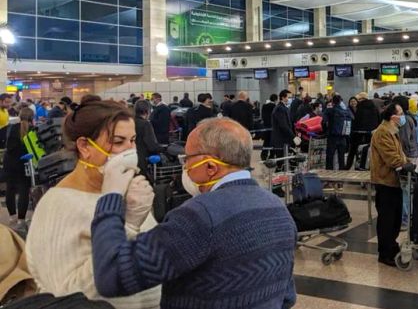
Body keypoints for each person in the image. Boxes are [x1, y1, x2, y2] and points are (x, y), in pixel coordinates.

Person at [89, 117, 297, 309]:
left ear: (210, 167)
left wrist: (111, 198)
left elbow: (112, 275)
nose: (185, 166)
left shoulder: (198, 216)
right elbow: (287, 297)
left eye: (187, 158)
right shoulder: (279, 210)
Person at [25, 100, 162, 308]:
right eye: (118, 142)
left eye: (133, 141)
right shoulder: (57, 206)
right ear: (85, 146)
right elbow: (65, 295)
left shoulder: (129, 192)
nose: (130, 151)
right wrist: (128, 226)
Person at [370, 102, 414, 267]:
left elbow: (399, 154)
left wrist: (408, 162)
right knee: (387, 220)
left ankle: (392, 245)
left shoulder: (393, 131)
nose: (402, 116)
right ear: (392, 116)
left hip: (394, 181)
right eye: (400, 113)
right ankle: (385, 253)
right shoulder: (382, 132)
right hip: (385, 181)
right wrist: (403, 164)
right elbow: (390, 157)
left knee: (395, 219)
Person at [3, 108, 34, 232]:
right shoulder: (32, 130)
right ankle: (22, 220)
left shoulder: (10, 128)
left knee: (10, 189)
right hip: (24, 163)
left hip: (9, 162)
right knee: (23, 191)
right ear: (32, 118)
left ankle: (12, 218)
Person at [393, 96, 418, 230]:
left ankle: (405, 219)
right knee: (408, 189)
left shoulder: (404, 121)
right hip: (412, 155)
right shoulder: (410, 118)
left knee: (405, 189)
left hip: (407, 157)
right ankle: (409, 216)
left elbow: (404, 141)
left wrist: (402, 157)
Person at [345, 92, 380, 170]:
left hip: (358, 135)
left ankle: (354, 166)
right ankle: (367, 166)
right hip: (371, 134)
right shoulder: (374, 108)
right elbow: (378, 120)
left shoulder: (360, 108)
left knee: (355, 151)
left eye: (358, 100)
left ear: (361, 99)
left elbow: (358, 122)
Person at [134, 100, 163, 182]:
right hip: (141, 160)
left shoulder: (130, 121)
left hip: (130, 158)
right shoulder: (145, 124)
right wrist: (163, 149)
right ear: (147, 111)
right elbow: (152, 146)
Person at [322, 95, 351, 170]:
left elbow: (323, 122)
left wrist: (325, 131)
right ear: (340, 101)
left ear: (332, 102)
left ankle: (329, 173)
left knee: (330, 156)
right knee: (341, 157)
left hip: (332, 136)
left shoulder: (329, 110)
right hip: (343, 136)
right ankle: (341, 173)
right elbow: (352, 118)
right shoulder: (346, 111)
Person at [271, 90, 296, 160]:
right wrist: (293, 136)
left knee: (285, 161)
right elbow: (283, 125)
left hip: (284, 139)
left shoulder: (284, 108)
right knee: (281, 161)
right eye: (289, 97)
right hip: (281, 140)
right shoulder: (280, 108)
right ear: (283, 98)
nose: (290, 99)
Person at [261, 94, 277, 160]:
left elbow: (263, 116)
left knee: (266, 141)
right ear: (276, 99)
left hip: (266, 126)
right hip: (273, 127)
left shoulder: (264, 106)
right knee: (272, 142)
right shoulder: (275, 107)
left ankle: (263, 155)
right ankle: (271, 155)